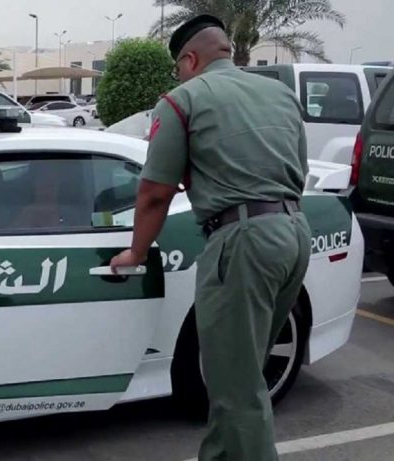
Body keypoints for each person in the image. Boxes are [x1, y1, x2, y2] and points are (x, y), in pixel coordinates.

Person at [109, 14, 311, 461]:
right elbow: (298, 170)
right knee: (242, 376)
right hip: (294, 232)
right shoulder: (280, 94)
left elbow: (154, 193)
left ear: (189, 59)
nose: (179, 76)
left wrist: (136, 251)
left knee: (237, 389)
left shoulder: (183, 100)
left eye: (178, 68)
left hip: (243, 243)